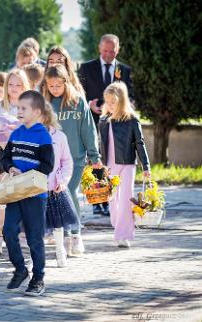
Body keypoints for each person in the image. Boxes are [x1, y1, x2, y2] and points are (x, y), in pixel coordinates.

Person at [42, 65, 101, 256]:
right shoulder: (45, 104)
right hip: (52, 160)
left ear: (66, 82)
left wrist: (94, 156)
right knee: (58, 195)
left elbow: (88, 130)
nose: (55, 89)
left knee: (70, 192)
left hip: (75, 158)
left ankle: (76, 234)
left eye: (58, 85)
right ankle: (64, 235)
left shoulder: (78, 102)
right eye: (51, 86)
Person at [1, 90, 54, 296]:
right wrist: (10, 168)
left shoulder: (43, 136)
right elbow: (5, 158)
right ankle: (20, 269)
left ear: (37, 112)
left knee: (34, 237)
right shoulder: (16, 133)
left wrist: (28, 174)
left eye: (24, 108)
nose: (19, 111)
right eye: (18, 107)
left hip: (35, 196)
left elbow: (47, 165)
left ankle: (38, 278)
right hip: (15, 193)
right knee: (8, 231)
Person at [78, 34, 134, 217]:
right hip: (93, 122)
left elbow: (131, 98)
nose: (109, 54)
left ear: (118, 50)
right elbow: (78, 95)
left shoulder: (124, 70)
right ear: (99, 49)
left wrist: (120, 108)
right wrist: (89, 104)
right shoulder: (86, 68)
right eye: (105, 51)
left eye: (112, 51)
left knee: (112, 161)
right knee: (96, 159)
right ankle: (97, 200)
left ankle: (111, 201)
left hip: (118, 126)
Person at [99, 82, 150, 248]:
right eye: (107, 101)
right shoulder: (104, 121)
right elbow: (100, 145)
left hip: (127, 164)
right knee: (113, 200)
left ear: (122, 101)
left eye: (113, 102)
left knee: (126, 199)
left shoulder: (132, 120)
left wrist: (146, 167)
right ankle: (118, 225)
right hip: (109, 166)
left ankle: (123, 234)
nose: (110, 105)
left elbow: (140, 143)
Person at [0, 69, 30, 255]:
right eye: (10, 84)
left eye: (18, 84)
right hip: (2, 159)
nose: (14, 88)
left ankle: (22, 236)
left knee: (23, 196)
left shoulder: (30, 106)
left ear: (25, 86)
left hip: (23, 157)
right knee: (0, 197)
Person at [39, 102, 78, 267]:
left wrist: (62, 181)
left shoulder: (60, 137)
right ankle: (38, 254)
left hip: (55, 188)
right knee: (37, 224)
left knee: (58, 223)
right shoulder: (29, 137)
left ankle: (60, 248)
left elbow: (66, 161)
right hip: (35, 189)